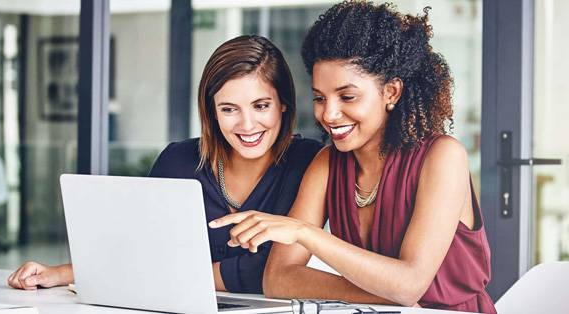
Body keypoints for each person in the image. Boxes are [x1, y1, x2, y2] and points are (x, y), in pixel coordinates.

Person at [209, 2, 496, 313]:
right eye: (320, 98)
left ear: (392, 92)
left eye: (347, 96)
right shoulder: (327, 163)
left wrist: (305, 233)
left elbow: (411, 283)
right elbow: (277, 279)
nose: (328, 114)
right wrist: (384, 295)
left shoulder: (442, 157)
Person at [7, 35, 323, 294]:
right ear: (212, 111)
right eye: (229, 109)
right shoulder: (179, 161)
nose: (247, 124)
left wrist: (169, 274)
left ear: (283, 103)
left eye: (261, 105)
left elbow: (269, 272)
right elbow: (142, 251)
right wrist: (62, 273)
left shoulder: (309, 163)